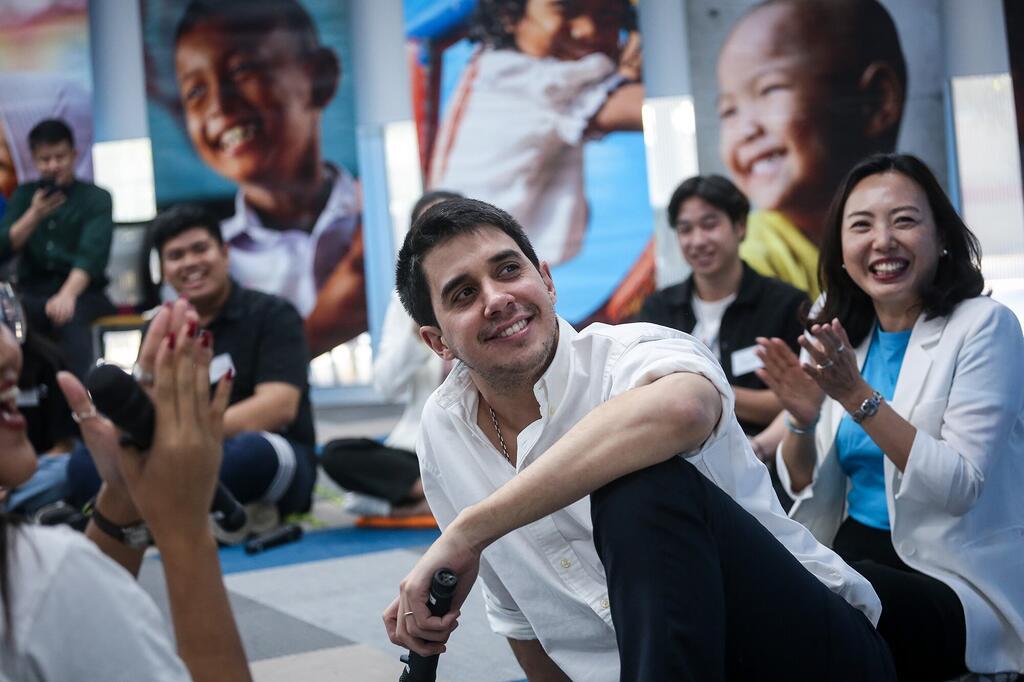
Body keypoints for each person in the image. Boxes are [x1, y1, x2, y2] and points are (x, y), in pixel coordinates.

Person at [382, 198, 894, 680]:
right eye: (463, 294)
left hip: (804, 650)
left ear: (547, 281)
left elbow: (685, 407)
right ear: (437, 341)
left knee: (637, 487)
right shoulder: (444, 431)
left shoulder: (630, 353)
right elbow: (519, 615)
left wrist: (470, 531)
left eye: (508, 270)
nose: (497, 298)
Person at [756, 153, 1024, 680]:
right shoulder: (843, 336)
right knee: (759, 574)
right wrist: (803, 422)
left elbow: (958, 486)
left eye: (904, 220)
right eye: (862, 226)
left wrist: (858, 397)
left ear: (941, 235)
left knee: (828, 594)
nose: (882, 240)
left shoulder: (984, 327)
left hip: (950, 576)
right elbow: (807, 482)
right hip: (853, 550)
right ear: (841, 251)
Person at [0, 297, 251, 681]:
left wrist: (121, 497)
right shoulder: (33, 568)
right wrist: (184, 532)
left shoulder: (45, 575)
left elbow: (66, 616)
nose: (9, 348)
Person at [67, 204, 317, 533]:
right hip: (176, 455)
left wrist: (187, 443)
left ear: (225, 254)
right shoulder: (160, 327)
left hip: (253, 448)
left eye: (200, 249)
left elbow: (279, 407)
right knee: (84, 462)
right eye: (176, 255)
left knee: (253, 455)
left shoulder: (273, 314)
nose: (190, 263)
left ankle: (151, 516)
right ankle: (205, 517)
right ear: (164, 269)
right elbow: (146, 410)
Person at [173, 0, 364, 356]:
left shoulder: (382, 222)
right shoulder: (204, 263)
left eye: (243, 69)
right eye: (195, 92)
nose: (219, 106)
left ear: (320, 77)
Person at [716, 0, 906, 299]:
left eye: (770, 90)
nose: (746, 130)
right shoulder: (751, 259)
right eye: (728, 111)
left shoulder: (912, 234)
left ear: (875, 100)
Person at [429, 0, 643, 265]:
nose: (587, 29)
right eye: (567, 10)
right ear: (509, 14)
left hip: (467, 250)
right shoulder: (532, 79)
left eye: (609, 15)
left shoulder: (492, 64)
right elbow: (641, 109)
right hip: (477, 255)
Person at [320, 191, 462, 520]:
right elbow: (386, 387)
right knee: (337, 455)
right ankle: (439, 496)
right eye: (430, 231)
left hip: (480, 442)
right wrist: (419, 323)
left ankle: (414, 503)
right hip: (420, 449)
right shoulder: (404, 304)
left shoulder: (485, 292)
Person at [634, 174, 807, 439]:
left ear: (740, 227)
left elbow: (800, 400)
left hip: (763, 457)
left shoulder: (786, 305)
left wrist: (701, 390)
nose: (698, 240)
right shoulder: (659, 310)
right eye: (686, 229)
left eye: (710, 224)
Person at [0, 118, 116, 379]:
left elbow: (91, 256)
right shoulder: (23, 196)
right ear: (34, 160)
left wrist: (67, 295)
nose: (53, 166)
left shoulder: (96, 198)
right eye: (45, 159)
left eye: (60, 157)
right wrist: (34, 215)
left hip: (82, 291)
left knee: (71, 324)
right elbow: (4, 247)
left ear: (74, 155)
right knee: (12, 322)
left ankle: (79, 401)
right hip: (32, 291)